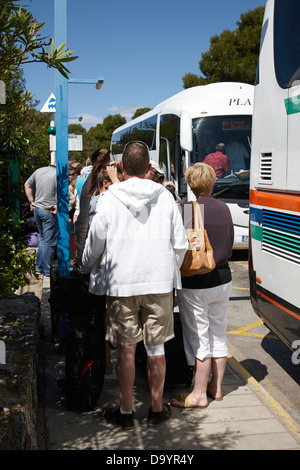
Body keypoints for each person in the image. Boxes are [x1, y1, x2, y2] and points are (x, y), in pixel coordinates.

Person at [81, 141, 188, 429]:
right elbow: (180, 244)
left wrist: (85, 266)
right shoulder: (165, 197)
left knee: (126, 350)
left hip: (122, 283)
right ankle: (155, 410)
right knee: (156, 350)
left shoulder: (110, 198)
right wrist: (168, 270)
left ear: (123, 168)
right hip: (159, 282)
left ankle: (126, 413)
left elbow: (95, 244)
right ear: (148, 167)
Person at [171, 162, 234, 409]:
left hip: (195, 283)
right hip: (223, 279)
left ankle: (198, 394)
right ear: (212, 182)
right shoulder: (225, 208)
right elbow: (228, 244)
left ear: (191, 184)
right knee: (218, 333)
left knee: (198, 338)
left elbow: (183, 250)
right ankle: (216, 388)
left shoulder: (188, 210)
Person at [74, 148, 114, 263]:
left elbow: (82, 221)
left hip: (95, 245)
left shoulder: (89, 182)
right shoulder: (110, 179)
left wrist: (79, 250)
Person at [24, 162, 57, 277]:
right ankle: (48, 271)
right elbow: (59, 192)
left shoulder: (39, 170)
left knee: (43, 239)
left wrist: (31, 202)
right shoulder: (57, 174)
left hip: (37, 210)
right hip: (48, 211)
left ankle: (39, 268)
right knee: (49, 241)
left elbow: (27, 184)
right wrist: (57, 204)